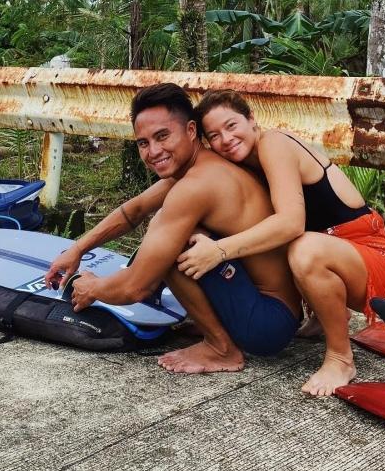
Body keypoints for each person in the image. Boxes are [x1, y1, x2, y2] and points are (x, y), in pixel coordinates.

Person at [44, 82, 302, 374]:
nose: (153, 151)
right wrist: (77, 248)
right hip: (277, 311)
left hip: (267, 323)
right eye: (143, 143)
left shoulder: (195, 186)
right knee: (172, 235)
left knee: (171, 242)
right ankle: (218, 324)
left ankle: (221, 348)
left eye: (163, 136)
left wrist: (92, 288)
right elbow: (134, 210)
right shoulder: (200, 166)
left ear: (191, 131)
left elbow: (135, 287)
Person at [176, 89, 385, 397]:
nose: (225, 139)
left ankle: (340, 358)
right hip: (336, 252)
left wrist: (218, 250)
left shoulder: (274, 144)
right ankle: (321, 320)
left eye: (231, 126)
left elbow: (290, 223)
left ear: (252, 120)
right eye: (214, 136)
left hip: (373, 256)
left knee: (303, 247)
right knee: (294, 245)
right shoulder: (245, 165)